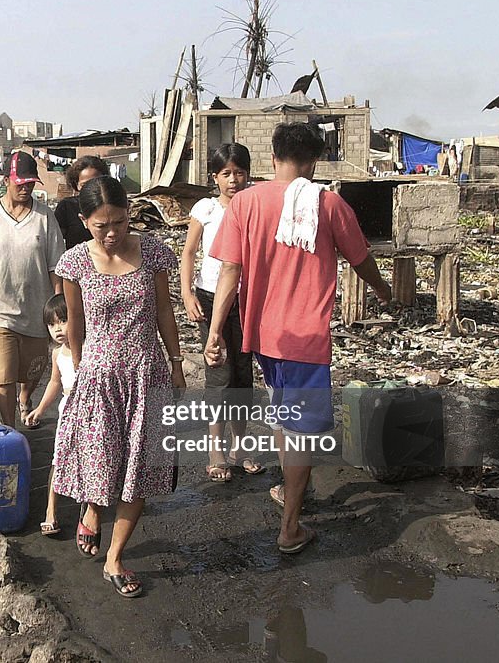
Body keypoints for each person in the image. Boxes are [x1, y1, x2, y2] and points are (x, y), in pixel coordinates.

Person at [205, 122, 392, 556]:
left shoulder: (246, 202)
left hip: (263, 335)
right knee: (301, 432)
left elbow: (228, 272)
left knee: (283, 418)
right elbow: (361, 259)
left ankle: (291, 488)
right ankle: (291, 527)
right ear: (315, 161)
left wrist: (216, 331)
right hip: (305, 339)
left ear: (272, 158)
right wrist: (383, 292)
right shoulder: (327, 204)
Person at [52, 176, 183, 599]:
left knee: (141, 470)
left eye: (121, 223)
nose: (112, 233)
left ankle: (114, 558)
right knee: (103, 462)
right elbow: (74, 320)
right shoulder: (73, 263)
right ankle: (92, 508)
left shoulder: (155, 252)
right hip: (100, 377)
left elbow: (164, 309)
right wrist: (78, 363)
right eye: (101, 225)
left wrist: (177, 363)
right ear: (84, 220)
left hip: (147, 374)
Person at [180, 143, 263, 482]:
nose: (233, 180)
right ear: (215, 177)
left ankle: (239, 447)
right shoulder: (206, 209)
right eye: (226, 174)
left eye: (239, 173)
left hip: (246, 300)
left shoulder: (254, 204)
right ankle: (215, 449)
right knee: (218, 373)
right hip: (211, 297)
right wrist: (186, 293)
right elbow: (188, 253)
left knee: (243, 375)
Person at [0, 151, 65, 428]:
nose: (26, 188)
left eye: (30, 183)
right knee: (4, 374)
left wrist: (58, 307)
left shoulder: (45, 218)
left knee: (32, 369)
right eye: (20, 183)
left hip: (35, 308)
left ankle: (26, 397)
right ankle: (9, 428)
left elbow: (54, 265)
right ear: (6, 180)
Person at [24, 294, 75, 538]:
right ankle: (51, 512)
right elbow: (55, 381)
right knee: (58, 460)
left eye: (63, 321)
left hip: (92, 411)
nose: (58, 329)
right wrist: (40, 409)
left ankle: (89, 509)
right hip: (67, 411)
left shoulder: (88, 349)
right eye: (52, 324)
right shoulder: (57, 354)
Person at [55, 155, 109, 249]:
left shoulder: (112, 204)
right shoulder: (67, 207)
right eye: (85, 184)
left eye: (95, 182)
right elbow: (56, 241)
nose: (91, 188)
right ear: (76, 185)